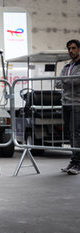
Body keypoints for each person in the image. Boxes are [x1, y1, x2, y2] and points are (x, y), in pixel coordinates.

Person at [57, 39, 80, 175]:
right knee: (70, 135)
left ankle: (77, 163)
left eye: (73, 48)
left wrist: (66, 81)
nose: (71, 51)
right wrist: (69, 81)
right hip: (66, 103)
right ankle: (74, 160)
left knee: (76, 134)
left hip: (77, 104)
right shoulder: (66, 67)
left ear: (78, 49)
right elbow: (57, 83)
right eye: (69, 49)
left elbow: (77, 80)